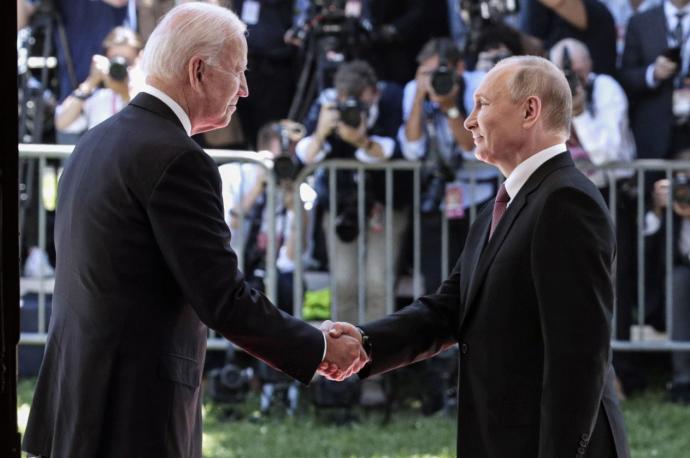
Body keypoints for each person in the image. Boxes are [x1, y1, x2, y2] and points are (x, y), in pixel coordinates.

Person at [22, 4, 366, 458]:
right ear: (198, 70)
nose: (244, 89)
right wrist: (318, 346)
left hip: (77, 401)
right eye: (238, 71)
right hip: (134, 412)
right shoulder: (178, 158)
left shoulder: (96, 141)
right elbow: (222, 298)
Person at [322, 56, 630, 458]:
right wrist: (365, 341)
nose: (468, 121)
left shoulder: (566, 201)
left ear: (530, 110)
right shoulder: (499, 205)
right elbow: (450, 309)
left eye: (482, 104)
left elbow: (579, 358)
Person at [295, 60, 408, 323]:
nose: (356, 108)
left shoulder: (392, 99)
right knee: (344, 282)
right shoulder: (327, 104)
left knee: (378, 282)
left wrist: (361, 140)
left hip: (386, 202)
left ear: (374, 92)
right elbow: (306, 156)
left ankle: (377, 356)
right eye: (349, 101)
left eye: (363, 101)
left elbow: (403, 150)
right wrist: (322, 133)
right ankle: (342, 353)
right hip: (341, 204)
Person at [54, 26, 144, 137]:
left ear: (140, 58)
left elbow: (142, 115)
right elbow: (62, 123)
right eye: (115, 60)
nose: (121, 67)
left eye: (127, 62)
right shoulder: (98, 96)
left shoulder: (149, 89)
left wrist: (121, 90)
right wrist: (90, 82)